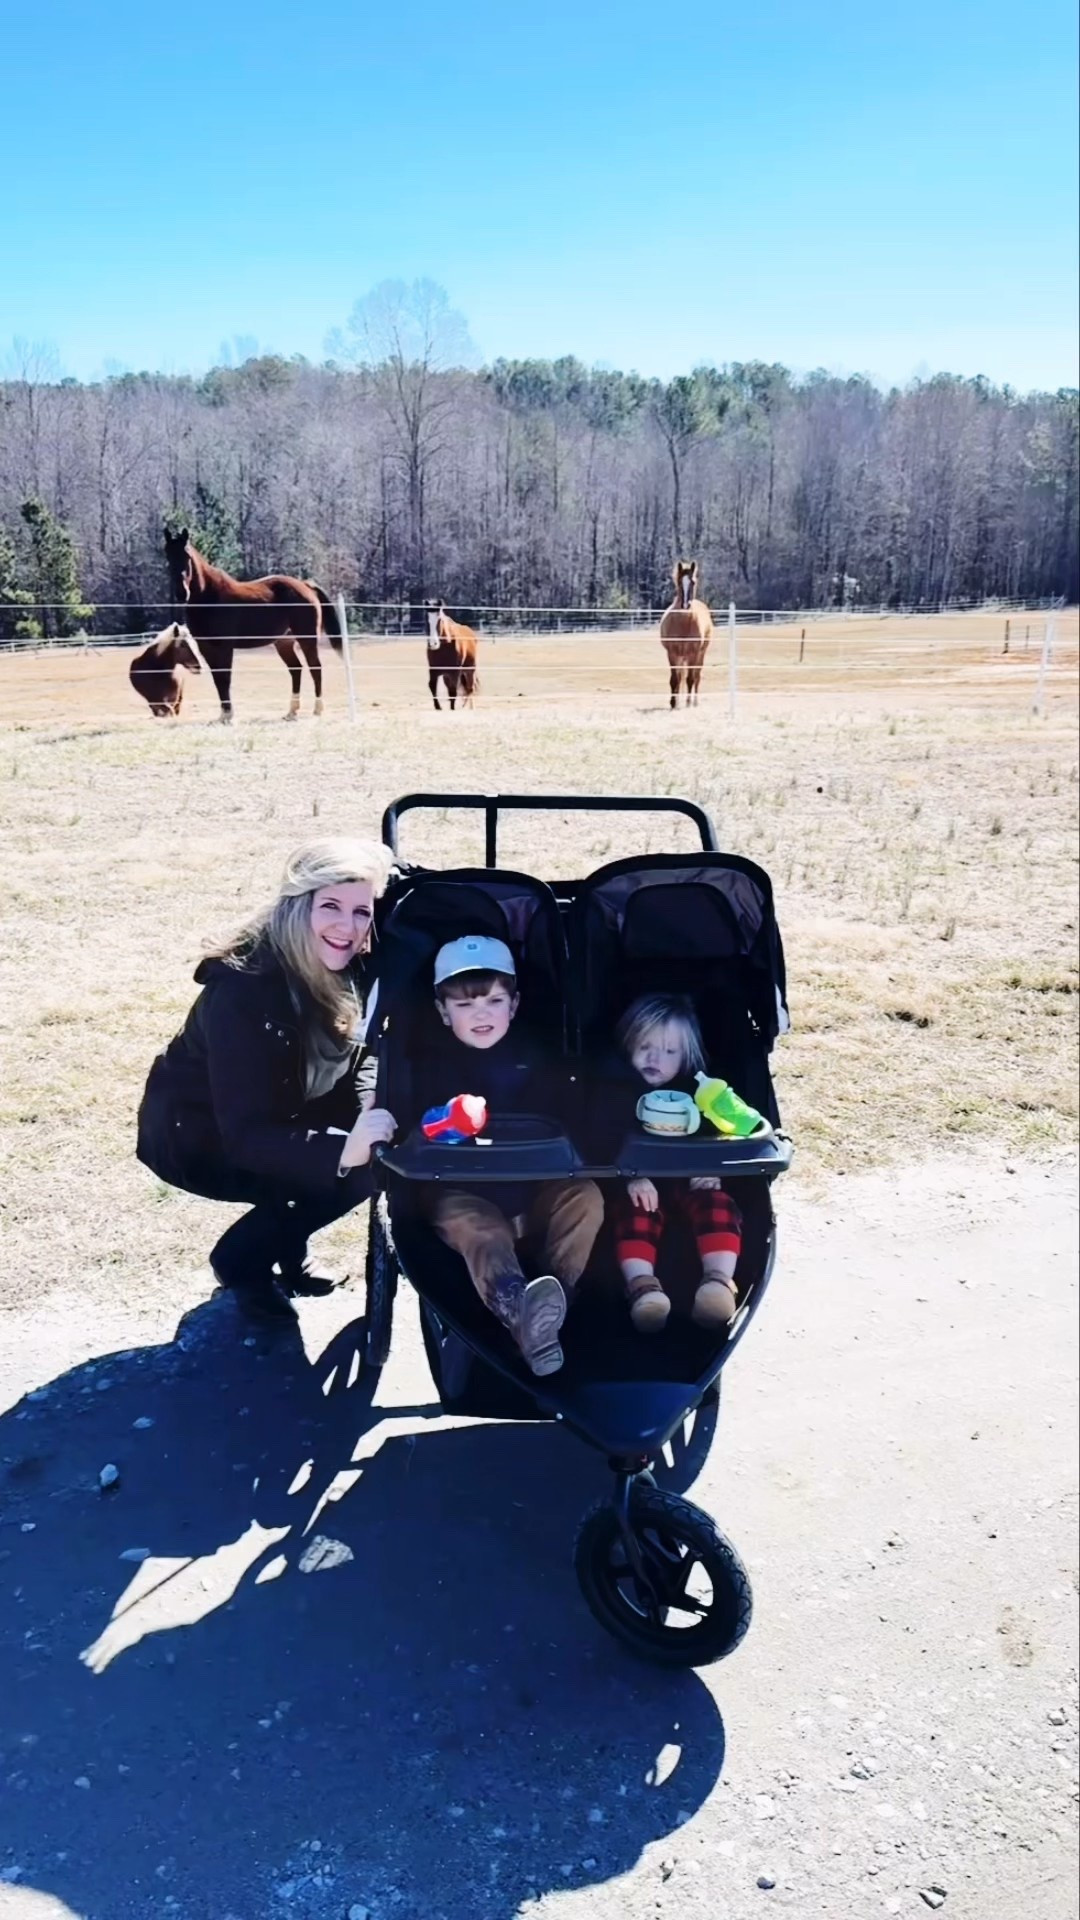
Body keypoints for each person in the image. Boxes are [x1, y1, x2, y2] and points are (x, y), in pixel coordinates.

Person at [137, 836, 398, 1323]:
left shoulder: (352, 960)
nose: (347, 926)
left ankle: (285, 1242)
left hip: (287, 1105)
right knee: (364, 1166)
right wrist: (343, 1149)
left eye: (362, 912)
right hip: (200, 1135)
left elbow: (359, 1056)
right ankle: (242, 1263)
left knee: (382, 1144)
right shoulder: (243, 991)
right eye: (331, 906)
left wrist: (369, 1109)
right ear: (299, 906)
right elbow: (247, 1134)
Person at [416, 934, 603, 1378]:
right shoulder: (429, 1064)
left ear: (514, 1005)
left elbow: (572, 1122)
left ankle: (552, 1305)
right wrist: (444, 1122)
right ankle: (520, 1309)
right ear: (443, 1011)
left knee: (587, 1198)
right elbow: (418, 1128)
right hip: (462, 1191)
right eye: (463, 1006)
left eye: (493, 1001)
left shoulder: (541, 1057)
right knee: (480, 1226)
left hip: (534, 1186)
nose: (480, 1014)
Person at [608, 993, 742, 1334]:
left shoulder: (700, 1094)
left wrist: (710, 1166)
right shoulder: (617, 1090)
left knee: (719, 1205)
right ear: (628, 1045)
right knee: (635, 1213)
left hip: (688, 1184)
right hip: (643, 1189)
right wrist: (629, 1177)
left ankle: (718, 1283)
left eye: (669, 1052)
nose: (655, 1058)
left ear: (685, 1057)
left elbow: (721, 1131)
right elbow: (603, 1139)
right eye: (645, 1047)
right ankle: (642, 1289)